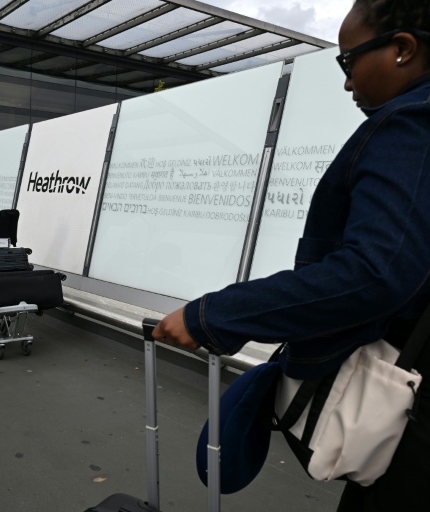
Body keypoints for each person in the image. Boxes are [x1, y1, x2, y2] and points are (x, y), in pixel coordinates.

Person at [151, 1, 430, 510]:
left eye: (349, 61)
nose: (346, 83)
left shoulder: (411, 124)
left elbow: (374, 273)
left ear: (403, 49)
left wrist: (214, 315)